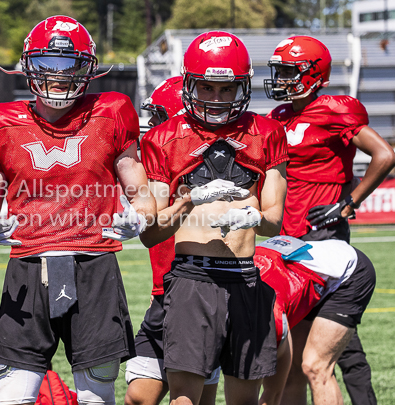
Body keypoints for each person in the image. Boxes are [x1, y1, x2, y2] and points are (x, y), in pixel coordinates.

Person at [0, 15, 155, 405]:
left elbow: (142, 193)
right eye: (47, 65)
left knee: (96, 394)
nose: (58, 76)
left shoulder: (113, 110)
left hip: (95, 262)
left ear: (87, 69)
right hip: (28, 264)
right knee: (14, 393)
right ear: (28, 66)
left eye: (69, 66)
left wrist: (139, 217)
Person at [139, 31, 289, 405]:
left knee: (243, 401)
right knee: (185, 401)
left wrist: (251, 217)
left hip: (246, 277)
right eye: (206, 88)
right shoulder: (163, 137)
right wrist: (189, 203)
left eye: (227, 89)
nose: (217, 98)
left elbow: (274, 221)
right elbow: (150, 234)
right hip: (193, 277)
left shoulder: (267, 132)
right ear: (189, 83)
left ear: (244, 86)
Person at [265, 35, 395, 405]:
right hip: (288, 243)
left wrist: (348, 202)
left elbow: (384, 154)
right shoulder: (279, 117)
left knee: (318, 362)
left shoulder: (335, 109)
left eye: (289, 71)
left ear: (313, 74)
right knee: (292, 366)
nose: (281, 79)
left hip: (324, 241)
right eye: (279, 71)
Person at [124, 76, 218, 405]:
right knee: (139, 396)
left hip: (197, 294)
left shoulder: (202, 171)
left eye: (158, 117)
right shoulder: (155, 166)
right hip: (163, 297)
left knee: (192, 399)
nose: (151, 126)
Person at [255, 236, 376, 405]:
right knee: (291, 371)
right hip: (303, 278)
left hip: (348, 272)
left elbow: (270, 394)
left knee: (316, 366)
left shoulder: (266, 307)